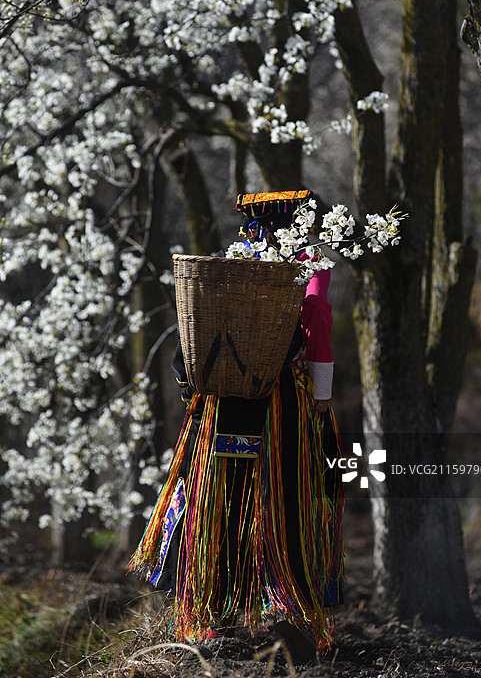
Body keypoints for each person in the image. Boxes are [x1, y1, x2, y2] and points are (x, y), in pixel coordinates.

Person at [127, 191, 344, 660]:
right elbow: (318, 319)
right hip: (278, 403)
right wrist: (322, 396)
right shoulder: (308, 261)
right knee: (285, 501)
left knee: (215, 498)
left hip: (219, 402)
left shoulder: (233, 260)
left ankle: (211, 616)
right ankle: (290, 614)